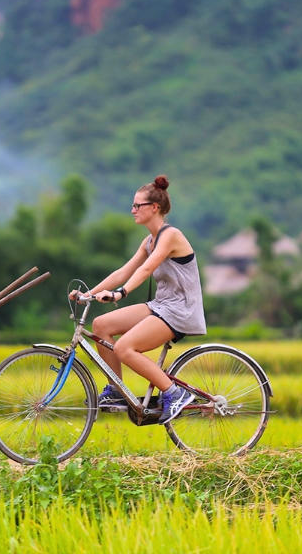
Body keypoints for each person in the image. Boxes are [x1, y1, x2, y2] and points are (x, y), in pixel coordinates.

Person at [69, 175, 207, 424]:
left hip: (180, 310)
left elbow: (144, 271)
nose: (132, 210)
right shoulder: (149, 241)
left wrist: (120, 293)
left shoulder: (171, 235)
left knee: (124, 348)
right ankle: (116, 391)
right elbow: (123, 271)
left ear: (154, 207)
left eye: (137, 205)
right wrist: (88, 295)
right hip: (161, 306)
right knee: (101, 325)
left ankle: (174, 393)